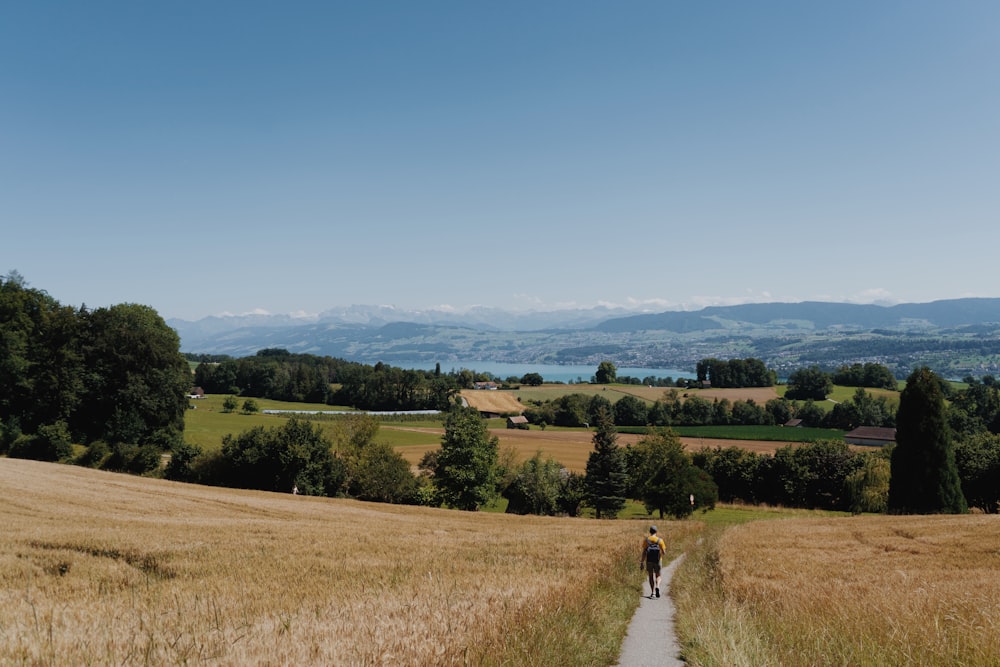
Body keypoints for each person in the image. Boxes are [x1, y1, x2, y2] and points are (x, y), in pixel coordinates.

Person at [639, 525, 666, 599]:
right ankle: (657, 586)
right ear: (656, 531)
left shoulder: (646, 540)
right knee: (658, 576)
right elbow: (663, 552)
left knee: (651, 576)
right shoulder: (660, 540)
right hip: (658, 560)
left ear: (650, 531)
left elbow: (644, 552)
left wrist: (642, 562)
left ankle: (653, 593)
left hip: (649, 561)